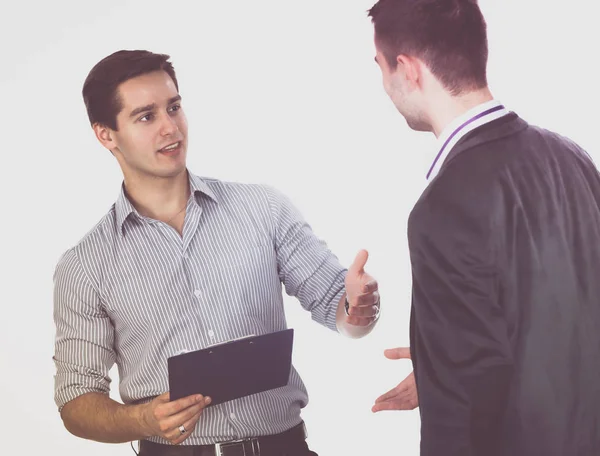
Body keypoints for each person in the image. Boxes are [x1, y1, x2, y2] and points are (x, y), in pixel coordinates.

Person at [52, 49, 381, 456]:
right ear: (106, 135)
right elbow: (76, 401)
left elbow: (340, 307)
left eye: (174, 107)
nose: (170, 128)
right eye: (146, 116)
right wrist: (142, 419)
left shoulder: (262, 209)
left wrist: (358, 305)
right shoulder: (85, 266)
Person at [367, 1, 600, 455]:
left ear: (408, 69)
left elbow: (463, 415)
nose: (383, 85)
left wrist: (449, 370)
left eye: (380, 67)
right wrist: (441, 360)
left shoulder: (441, 210)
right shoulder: (574, 159)